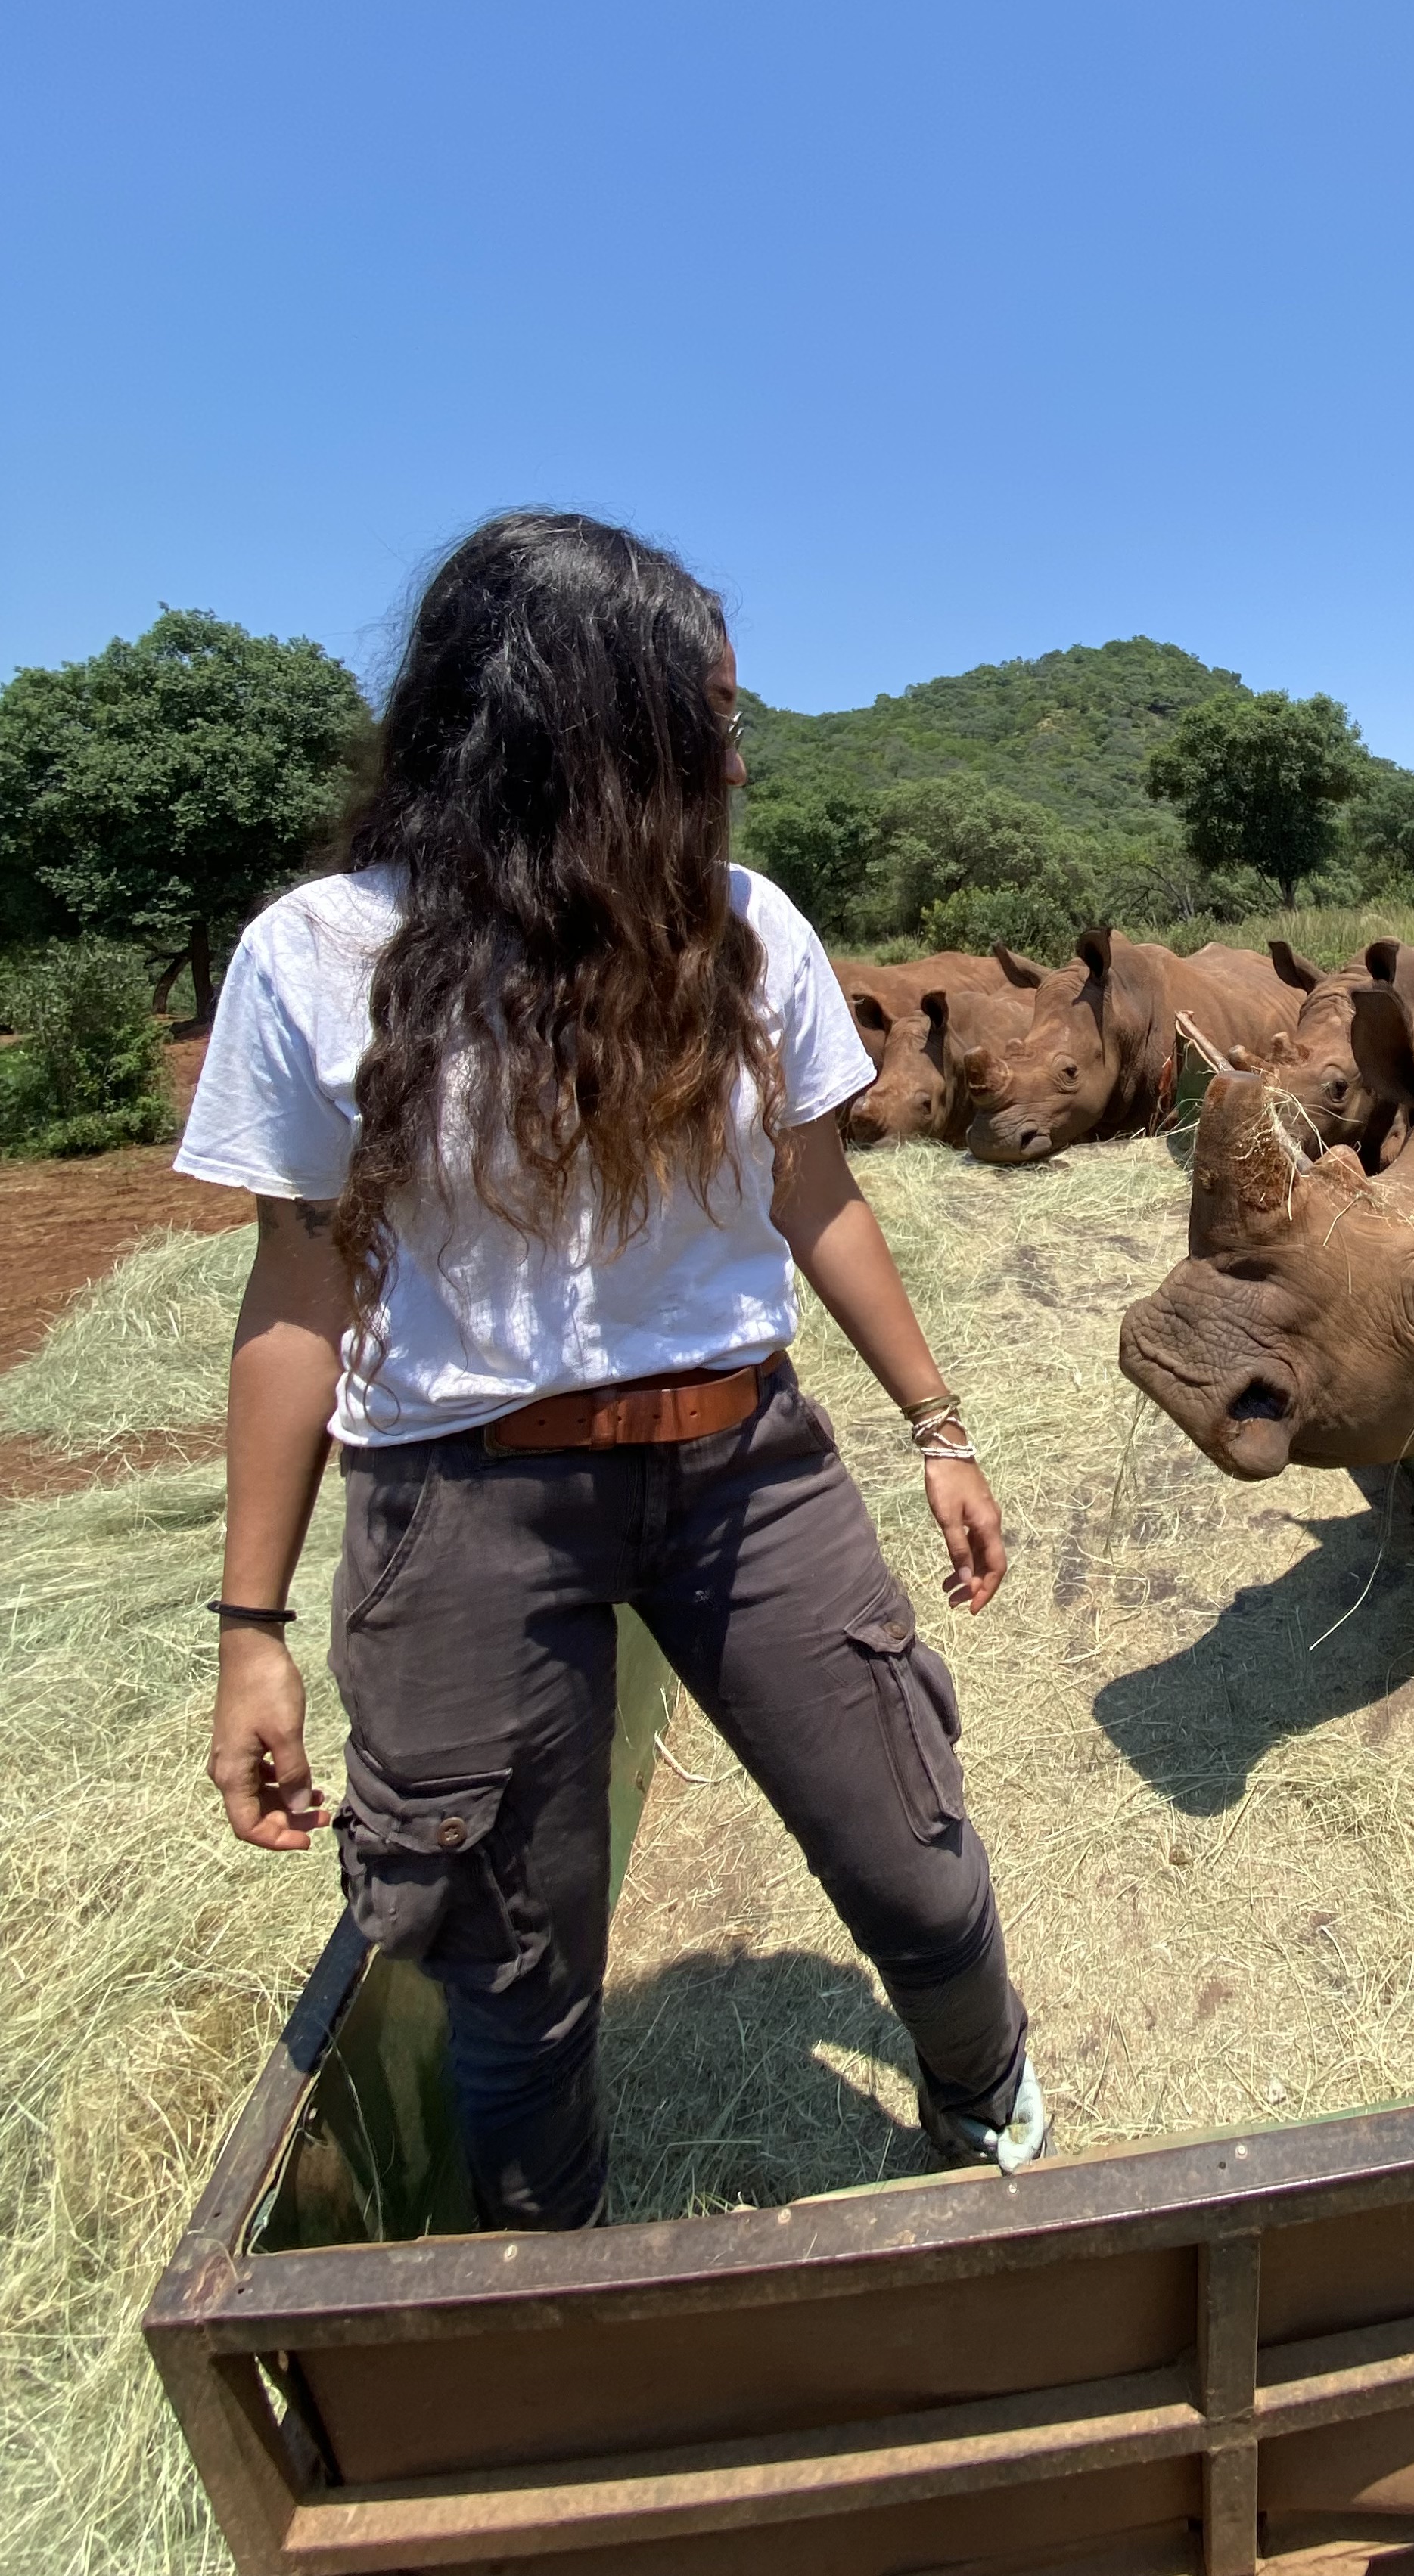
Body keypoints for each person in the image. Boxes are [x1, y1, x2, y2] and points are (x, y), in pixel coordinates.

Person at [183, 509, 1044, 2228]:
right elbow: (298, 1290)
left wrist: (936, 1422)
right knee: (513, 1989)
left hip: (747, 1473)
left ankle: (990, 2099)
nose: (735, 751)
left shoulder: (745, 931)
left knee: (914, 1857)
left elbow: (815, 1192)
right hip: (462, 1511)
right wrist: (251, 1629)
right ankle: (556, 2299)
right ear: (573, 727)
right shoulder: (318, 956)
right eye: (704, 715)